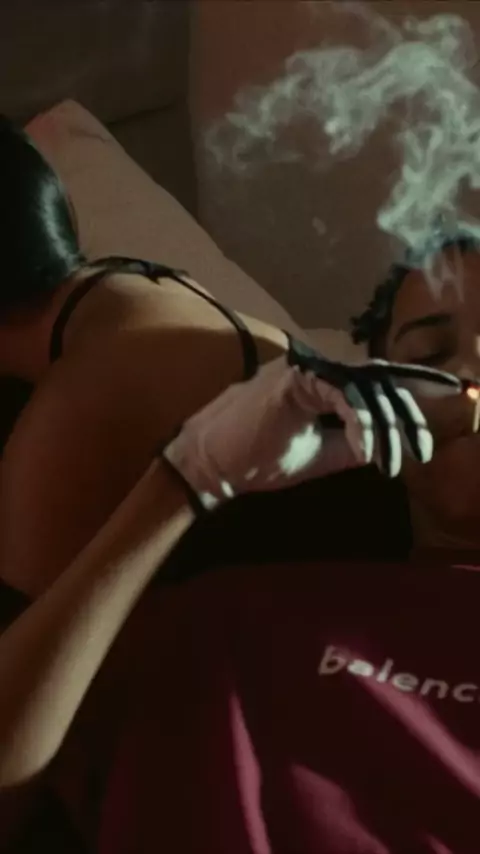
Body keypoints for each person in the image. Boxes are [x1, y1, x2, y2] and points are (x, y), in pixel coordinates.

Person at [0, 114, 458, 602]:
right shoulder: (131, 283)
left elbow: (39, 646)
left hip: (361, 595)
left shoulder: (76, 408)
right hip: (374, 543)